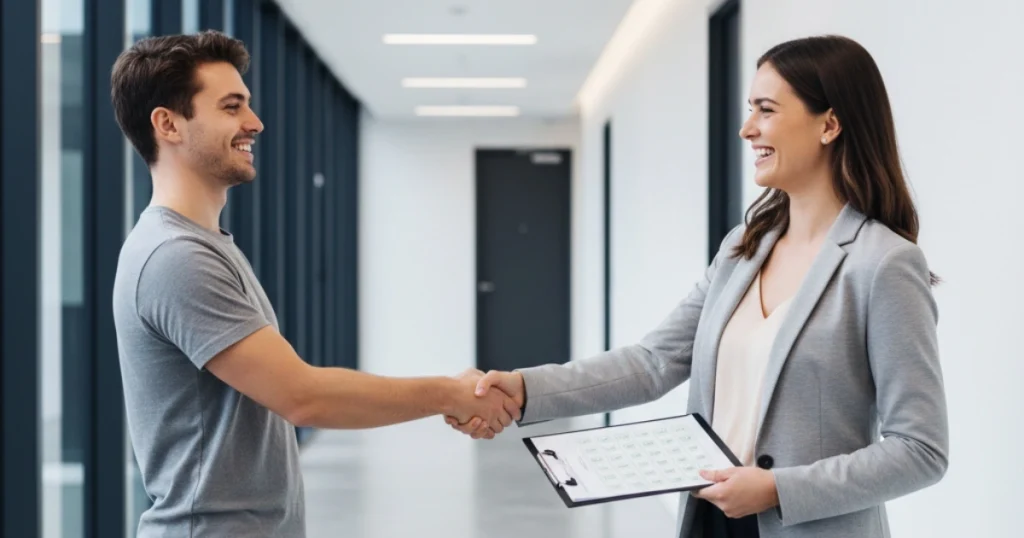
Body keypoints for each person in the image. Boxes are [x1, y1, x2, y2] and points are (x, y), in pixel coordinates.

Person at [447, 35, 948, 538]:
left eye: (766, 110)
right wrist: (525, 389)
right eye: (749, 109)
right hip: (711, 519)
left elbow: (920, 449)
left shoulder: (884, 264)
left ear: (830, 124)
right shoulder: (742, 250)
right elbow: (653, 362)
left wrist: (778, 488)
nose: (747, 128)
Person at [110, 31, 520, 537]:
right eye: (232, 107)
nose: (254, 123)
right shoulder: (174, 257)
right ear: (168, 124)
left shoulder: (206, 244)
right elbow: (303, 396)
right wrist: (449, 394)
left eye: (249, 106)